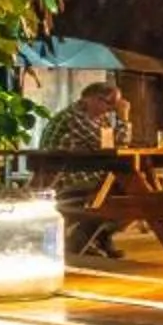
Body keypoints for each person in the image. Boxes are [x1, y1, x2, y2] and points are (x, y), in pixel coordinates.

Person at [37, 81, 129, 254]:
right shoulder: (75, 118)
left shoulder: (99, 118)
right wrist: (123, 119)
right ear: (90, 98)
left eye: (114, 105)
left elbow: (114, 145)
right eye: (108, 103)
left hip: (85, 173)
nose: (111, 109)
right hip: (63, 176)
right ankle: (82, 240)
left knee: (131, 192)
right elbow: (116, 145)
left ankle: (96, 237)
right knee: (125, 192)